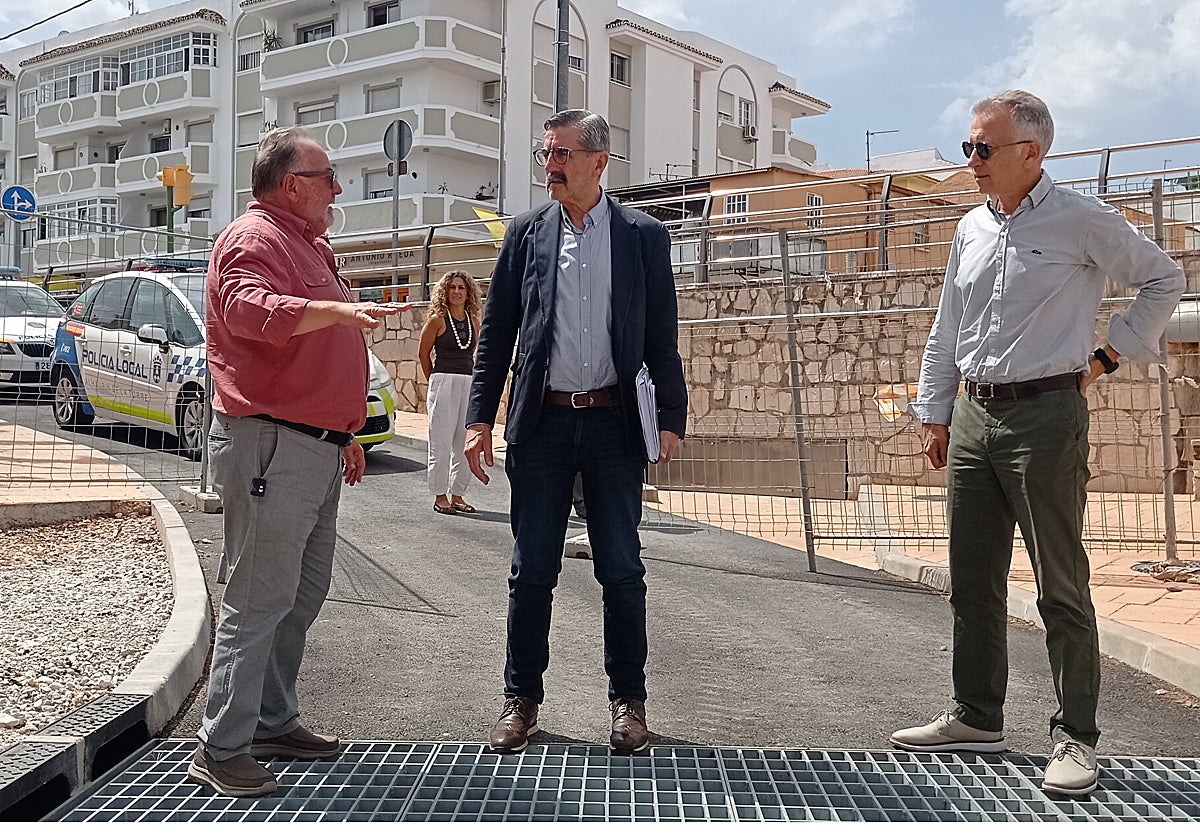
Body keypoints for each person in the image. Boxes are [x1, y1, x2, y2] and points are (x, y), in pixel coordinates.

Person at [894, 90, 1185, 796]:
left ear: (1033, 151)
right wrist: (934, 413)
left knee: (1060, 583)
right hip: (973, 417)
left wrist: (1106, 358)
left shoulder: (1081, 219)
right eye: (968, 146)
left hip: (1047, 416)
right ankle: (975, 714)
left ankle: (1077, 738)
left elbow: (1163, 278)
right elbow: (947, 327)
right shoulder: (970, 227)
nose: (972, 161)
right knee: (971, 578)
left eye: (983, 149)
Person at [190, 127, 404, 797]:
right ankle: (221, 747)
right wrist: (339, 308)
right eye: (328, 176)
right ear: (291, 185)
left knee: (300, 592)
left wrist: (341, 434)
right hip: (271, 446)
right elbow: (249, 313)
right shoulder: (255, 240)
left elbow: (308, 353)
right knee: (258, 598)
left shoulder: (307, 243)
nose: (339, 188)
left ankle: (271, 720)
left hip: (306, 446)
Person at [465, 109, 687, 754]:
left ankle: (628, 704)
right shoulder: (526, 234)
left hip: (615, 424)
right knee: (531, 569)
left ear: (599, 161)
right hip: (544, 423)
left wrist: (670, 415)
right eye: (545, 154)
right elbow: (497, 333)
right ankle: (521, 700)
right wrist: (481, 417)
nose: (550, 166)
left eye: (561, 154)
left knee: (621, 568)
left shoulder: (642, 235)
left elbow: (660, 333)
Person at [418, 270, 482, 515]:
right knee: (441, 443)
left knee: (464, 444)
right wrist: (435, 380)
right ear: (445, 291)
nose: (456, 291)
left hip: (468, 382)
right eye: (452, 287)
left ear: (468, 293)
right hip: (443, 382)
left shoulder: (473, 320)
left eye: (461, 288)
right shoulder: (437, 319)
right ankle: (440, 495)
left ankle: (458, 494)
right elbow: (423, 355)